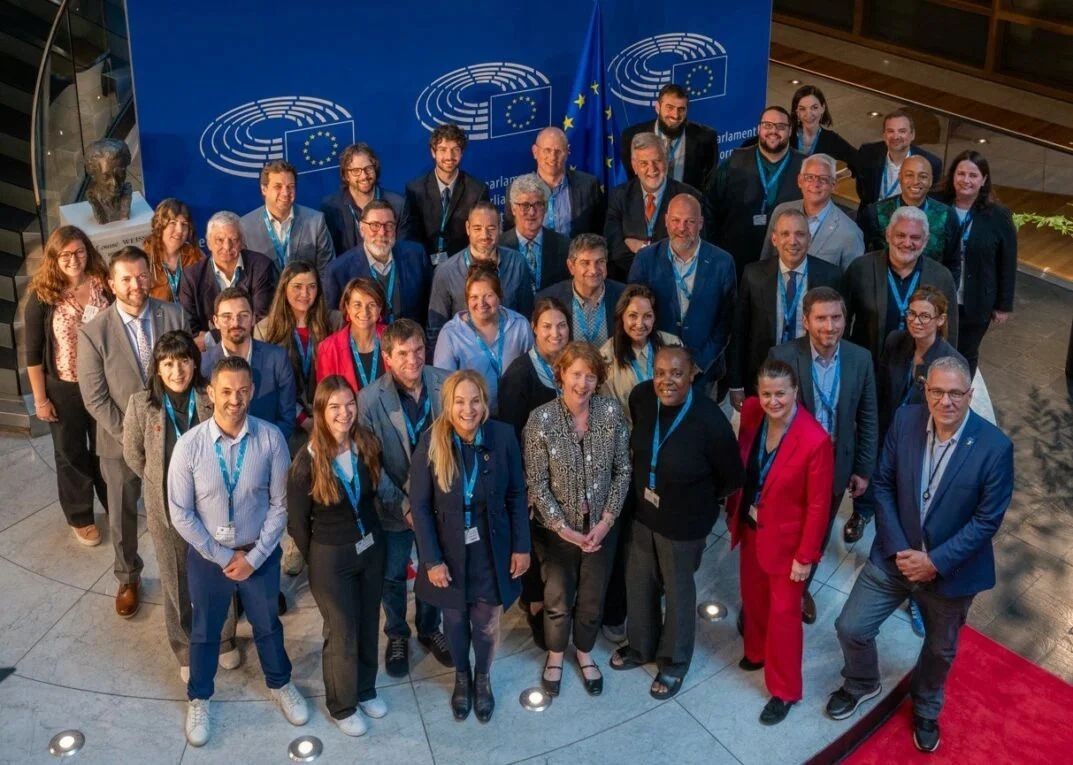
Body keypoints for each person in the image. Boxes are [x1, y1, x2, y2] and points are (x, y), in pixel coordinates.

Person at [826, 356, 1013, 754]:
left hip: (951, 573)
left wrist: (935, 561)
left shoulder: (995, 448)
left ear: (970, 395)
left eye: (956, 393)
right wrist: (900, 549)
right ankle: (862, 682)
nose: (946, 401)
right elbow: (884, 483)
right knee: (851, 627)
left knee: (939, 649)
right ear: (926, 390)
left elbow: (986, 522)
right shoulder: (906, 420)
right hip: (895, 556)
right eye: (938, 391)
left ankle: (927, 707)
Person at [169, 356, 309, 747]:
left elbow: (281, 505)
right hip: (209, 557)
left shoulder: (270, 439)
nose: (235, 399)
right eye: (226, 391)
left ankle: (281, 684)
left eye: (242, 390)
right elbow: (180, 512)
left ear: (251, 392)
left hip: (258, 556)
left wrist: (254, 557)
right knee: (205, 631)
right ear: (211, 393)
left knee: (267, 625)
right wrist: (221, 555)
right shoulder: (189, 446)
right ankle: (199, 697)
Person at [611, 346, 742, 697]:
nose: (667, 381)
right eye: (660, 372)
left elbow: (731, 477)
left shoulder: (709, 419)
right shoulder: (641, 398)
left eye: (677, 373)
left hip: (684, 524)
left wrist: (699, 501)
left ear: (692, 375)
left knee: (679, 592)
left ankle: (674, 662)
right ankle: (641, 647)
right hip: (642, 514)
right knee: (639, 584)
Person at [409, 370, 530, 722]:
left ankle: (483, 678)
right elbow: (419, 506)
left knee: (487, 622)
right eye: (459, 402)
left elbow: (516, 494)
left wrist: (521, 546)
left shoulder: (503, 435)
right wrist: (431, 560)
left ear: (485, 402)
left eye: (475, 400)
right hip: (448, 553)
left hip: (492, 550)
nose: (468, 409)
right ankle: (462, 676)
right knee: (456, 621)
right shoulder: (431, 440)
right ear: (447, 404)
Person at [122, 330, 239, 682]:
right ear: (157, 367)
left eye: (184, 360)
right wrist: (165, 486)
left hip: (214, 507)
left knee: (221, 571)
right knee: (176, 579)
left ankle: (224, 638)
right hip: (168, 511)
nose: (177, 371)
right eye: (168, 363)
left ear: (195, 361)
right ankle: (185, 645)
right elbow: (133, 455)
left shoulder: (209, 396)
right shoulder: (141, 404)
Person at [78, 246, 188, 617]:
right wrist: (133, 439)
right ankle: (128, 577)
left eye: (142, 276)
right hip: (118, 440)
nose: (136, 284)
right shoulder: (94, 333)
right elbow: (95, 398)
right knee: (123, 512)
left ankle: (191, 567)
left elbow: (186, 374)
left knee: (184, 502)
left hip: (174, 433)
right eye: (126, 278)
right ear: (111, 283)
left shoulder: (174, 315)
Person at [287, 376, 400, 736]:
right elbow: (297, 524)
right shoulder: (306, 461)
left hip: (370, 547)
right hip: (331, 557)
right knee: (342, 631)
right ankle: (342, 704)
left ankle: (365, 690)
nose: (344, 412)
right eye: (334, 406)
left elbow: (372, 496)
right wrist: (317, 558)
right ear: (320, 411)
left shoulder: (366, 443)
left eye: (349, 403)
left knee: (368, 623)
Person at [726, 359, 834, 724]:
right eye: (767, 393)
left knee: (785, 617)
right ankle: (756, 652)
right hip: (752, 528)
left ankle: (785, 690)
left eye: (781, 394)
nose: (773, 401)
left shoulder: (815, 440)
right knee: (753, 600)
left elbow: (819, 506)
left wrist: (806, 556)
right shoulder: (754, 413)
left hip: (789, 545)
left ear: (796, 393)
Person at [523, 342, 631, 697]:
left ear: (598, 379)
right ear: (561, 375)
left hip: (600, 529)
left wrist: (606, 521)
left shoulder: (612, 413)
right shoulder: (540, 419)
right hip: (557, 532)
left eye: (590, 375)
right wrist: (563, 529)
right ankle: (556, 655)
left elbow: (623, 471)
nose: (582, 383)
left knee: (591, 597)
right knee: (556, 598)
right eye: (576, 374)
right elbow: (536, 482)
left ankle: (584, 652)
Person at [768, 287, 878, 624]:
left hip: (835, 465)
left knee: (816, 533)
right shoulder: (783, 355)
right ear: (805, 321)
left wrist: (862, 468)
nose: (829, 326)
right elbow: (769, 418)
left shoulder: (860, 359)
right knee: (782, 533)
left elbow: (868, 416)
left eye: (836, 318)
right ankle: (771, 592)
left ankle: (801, 590)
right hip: (790, 466)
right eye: (821, 318)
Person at [357, 320, 453, 676]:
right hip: (394, 507)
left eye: (418, 351)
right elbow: (370, 465)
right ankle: (397, 632)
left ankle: (430, 629)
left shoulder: (446, 383)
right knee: (393, 574)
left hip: (440, 504)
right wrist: (405, 506)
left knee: (434, 570)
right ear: (387, 358)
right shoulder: (368, 400)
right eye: (402, 354)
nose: (413, 360)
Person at [844, 287, 966, 548]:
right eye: (912, 314)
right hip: (886, 425)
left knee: (899, 494)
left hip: (918, 439)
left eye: (925, 316)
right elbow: (879, 386)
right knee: (871, 473)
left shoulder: (951, 363)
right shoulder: (895, 341)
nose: (916, 321)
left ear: (941, 320)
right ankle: (862, 512)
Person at [24, 226, 110, 545]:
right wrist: (41, 399)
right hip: (64, 388)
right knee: (71, 452)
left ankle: (112, 501)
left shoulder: (104, 284)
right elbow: (32, 353)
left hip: (102, 384)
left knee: (105, 448)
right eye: (66, 254)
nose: (74, 259)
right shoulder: (42, 296)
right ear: (54, 259)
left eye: (79, 252)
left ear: (88, 251)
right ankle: (80, 516)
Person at [498, 297, 571, 648]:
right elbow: (510, 437)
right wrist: (526, 484)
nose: (555, 333)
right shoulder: (520, 374)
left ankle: (560, 602)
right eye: (547, 326)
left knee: (560, 547)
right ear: (533, 329)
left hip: (569, 478)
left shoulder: (574, 367)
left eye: (561, 325)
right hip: (532, 481)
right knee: (533, 543)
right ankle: (536, 604)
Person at [730, 208, 843, 409]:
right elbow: (740, 332)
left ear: (809, 239)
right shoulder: (753, 274)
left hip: (812, 377)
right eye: (785, 234)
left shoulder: (831, 275)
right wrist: (736, 384)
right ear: (774, 239)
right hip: (763, 375)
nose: (793, 241)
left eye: (800, 234)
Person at [629, 194, 737, 398]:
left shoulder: (722, 262)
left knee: (700, 429)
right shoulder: (645, 259)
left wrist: (699, 363)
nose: (682, 228)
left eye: (690, 222)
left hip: (704, 372)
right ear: (666, 221)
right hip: (656, 369)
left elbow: (726, 322)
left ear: (701, 224)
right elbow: (634, 315)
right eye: (676, 221)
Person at [933, 150, 1017, 377]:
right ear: (952, 176)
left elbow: (1007, 262)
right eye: (961, 174)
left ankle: (959, 397)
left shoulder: (998, 215)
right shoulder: (936, 205)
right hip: (937, 294)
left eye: (973, 175)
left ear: (984, 180)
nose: (966, 180)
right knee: (934, 348)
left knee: (966, 352)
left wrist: (1003, 305)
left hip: (978, 299)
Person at [844, 206, 959, 363]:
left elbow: (949, 333)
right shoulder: (860, 268)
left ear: (925, 240)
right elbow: (842, 319)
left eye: (915, 237)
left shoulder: (941, 277)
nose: (907, 243)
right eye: (900, 235)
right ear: (888, 235)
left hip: (917, 369)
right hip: (869, 365)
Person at [706, 106, 804, 280]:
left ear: (790, 131)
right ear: (759, 128)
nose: (773, 131)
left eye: (781, 126)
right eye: (767, 125)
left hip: (786, 260)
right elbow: (710, 209)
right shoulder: (732, 163)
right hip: (736, 259)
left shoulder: (805, 168)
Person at [255, 261, 342, 449]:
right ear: (284, 288)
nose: (305, 294)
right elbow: (271, 386)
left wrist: (322, 418)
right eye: (297, 287)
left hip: (331, 422)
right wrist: (304, 420)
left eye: (312, 287)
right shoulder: (264, 330)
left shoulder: (335, 322)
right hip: (288, 427)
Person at [427, 202, 534, 345]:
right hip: (465, 359)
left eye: (491, 228)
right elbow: (436, 331)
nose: (485, 236)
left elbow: (526, 316)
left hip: (510, 354)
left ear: (500, 228)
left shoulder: (517, 263)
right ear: (467, 228)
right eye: (477, 228)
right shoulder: (446, 272)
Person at [201, 288, 298, 442]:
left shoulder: (277, 358)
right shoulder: (203, 365)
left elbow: (287, 418)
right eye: (227, 317)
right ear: (216, 322)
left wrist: (264, 450)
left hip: (269, 452)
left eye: (243, 316)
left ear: (253, 319)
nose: (235, 323)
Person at [433, 265, 533, 413]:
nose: (481, 303)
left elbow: (532, 370)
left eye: (488, 295)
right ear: (466, 300)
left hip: (517, 412)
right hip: (472, 416)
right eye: (474, 297)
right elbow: (445, 387)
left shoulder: (520, 325)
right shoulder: (451, 334)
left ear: (500, 296)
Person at [605, 131, 703, 280]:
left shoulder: (690, 197)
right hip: (629, 284)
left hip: (676, 281)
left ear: (666, 161)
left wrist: (641, 248)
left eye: (657, 161)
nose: (652, 169)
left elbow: (693, 246)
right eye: (644, 163)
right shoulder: (619, 196)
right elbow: (616, 250)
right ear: (634, 166)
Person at [322, 200, 430, 325]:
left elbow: (428, 306)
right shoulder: (338, 271)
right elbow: (334, 321)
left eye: (389, 225)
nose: (382, 232)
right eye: (374, 225)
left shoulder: (416, 256)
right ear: (361, 229)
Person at [179, 210, 277, 348]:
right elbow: (191, 330)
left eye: (234, 239)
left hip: (254, 347)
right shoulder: (191, 277)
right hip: (211, 356)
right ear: (208, 243)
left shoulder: (262, 267)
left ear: (242, 242)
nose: (227, 246)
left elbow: (261, 320)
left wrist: (211, 337)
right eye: (219, 240)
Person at [760, 154, 865, 271]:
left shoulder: (850, 234)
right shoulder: (781, 212)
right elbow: (765, 265)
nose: (815, 184)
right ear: (800, 181)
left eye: (823, 179)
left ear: (833, 185)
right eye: (809, 177)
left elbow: (855, 284)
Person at [404, 123, 491, 263]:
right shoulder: (415, 189)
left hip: (463, 265)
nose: (449, 156)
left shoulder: (477, 190)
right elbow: (410, 237)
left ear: (462, 152)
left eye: (455, 150)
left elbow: (481, 236)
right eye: (443, 150)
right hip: (424, 265)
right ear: (433, 152)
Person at [858, 155, 960, 272]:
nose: (916, 181)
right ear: (900, 177)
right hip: (884, 284)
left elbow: (953, 264)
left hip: (930, 286)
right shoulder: (875, 213)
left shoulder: (946, 216)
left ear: (931, 181)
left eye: (923, 176)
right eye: (909, 175)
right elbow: (862, 257)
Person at [599, 284, 682, 423]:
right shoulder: (606, 356)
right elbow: (609, 413)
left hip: (671, 428)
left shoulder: (672, 345)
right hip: (629, 436)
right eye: (633, 315)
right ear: (622, 316)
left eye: (647, 316)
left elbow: (683, 393)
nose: (640, 323)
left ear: (654, 318)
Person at [502, 127, 605, 237]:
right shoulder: (517, 189)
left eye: (558, 151)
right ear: (535, 152)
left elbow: (599, 233)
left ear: (567, 152)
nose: (552, 157)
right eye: (547, 150)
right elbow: (509, 234)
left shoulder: (589, 186)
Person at [240, 159, 335, 273]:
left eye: (290, 186)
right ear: (264, 189)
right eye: (278, 186)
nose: (285, 193)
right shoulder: (245, 226)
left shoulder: (316, 222)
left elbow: (327, 272)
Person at [621, 83, 719, 191]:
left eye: (681, 109)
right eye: (670, 107)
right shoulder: (631, 137)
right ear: (658, 107)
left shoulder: (706, 138)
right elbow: (630, 180)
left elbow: (709, 184)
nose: (675, 115)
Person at [537, 233, 625, 349]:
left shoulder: (624, 296)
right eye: (585, 263)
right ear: (571, 266)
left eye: (600, 262)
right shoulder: (550, 298)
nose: (593, 270)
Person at [320, 142, 409, 255]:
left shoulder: (398, 204)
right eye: (356, 171)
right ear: (346, 175)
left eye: (368, 168)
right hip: (349, 271)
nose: (364, 176)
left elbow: (404, 252)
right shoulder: (330, 208)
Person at [855, 109, 943, 208]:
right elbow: (862, 192)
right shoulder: (868, 153)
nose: (896, 137)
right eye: (890, 131)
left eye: (902, 131)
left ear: (912, 134)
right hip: (872, 218)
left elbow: (930, 203)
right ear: (884, 135)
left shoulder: (931, 163)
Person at [316, 277, 388, 395]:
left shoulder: (395, 339)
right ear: (347, 307)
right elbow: (326, 398)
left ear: (380, 308)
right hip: (349, 413)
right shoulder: (328, 348)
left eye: (371, 305)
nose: (364, 312)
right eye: (357, 305)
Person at [499, 173, 570, 292]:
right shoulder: (499, 246)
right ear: (513, 209)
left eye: (538, 204)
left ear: (546, 207)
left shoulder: (565, 246)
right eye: (525, 205)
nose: (532, 212)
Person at [142, 198, 204, 303]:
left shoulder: (196, 256)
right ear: (160, 226)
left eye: (184, 224)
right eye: (173, 223)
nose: (179, 230)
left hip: (189, 317)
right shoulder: (144, 260)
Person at [788, 85, 858, 171]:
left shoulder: (832, 140)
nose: (809, 114)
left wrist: (838, 176)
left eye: (814, 108)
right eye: (802, 109)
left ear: (823, 108)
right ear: (797, 113)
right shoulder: (787, 136)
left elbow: (861, 162)